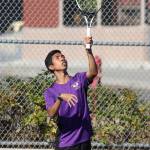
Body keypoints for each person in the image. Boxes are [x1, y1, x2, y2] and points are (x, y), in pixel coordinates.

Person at [44, 37, 98, 150]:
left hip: (84, 139)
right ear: (51, 67)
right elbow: (50, 113)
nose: (62, 58)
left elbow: (93, 72)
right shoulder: (50, 91)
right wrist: (60, 98)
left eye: (62, 56)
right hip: (66, 143)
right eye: (57, 58)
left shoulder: (79, 79)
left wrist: (88, 50)